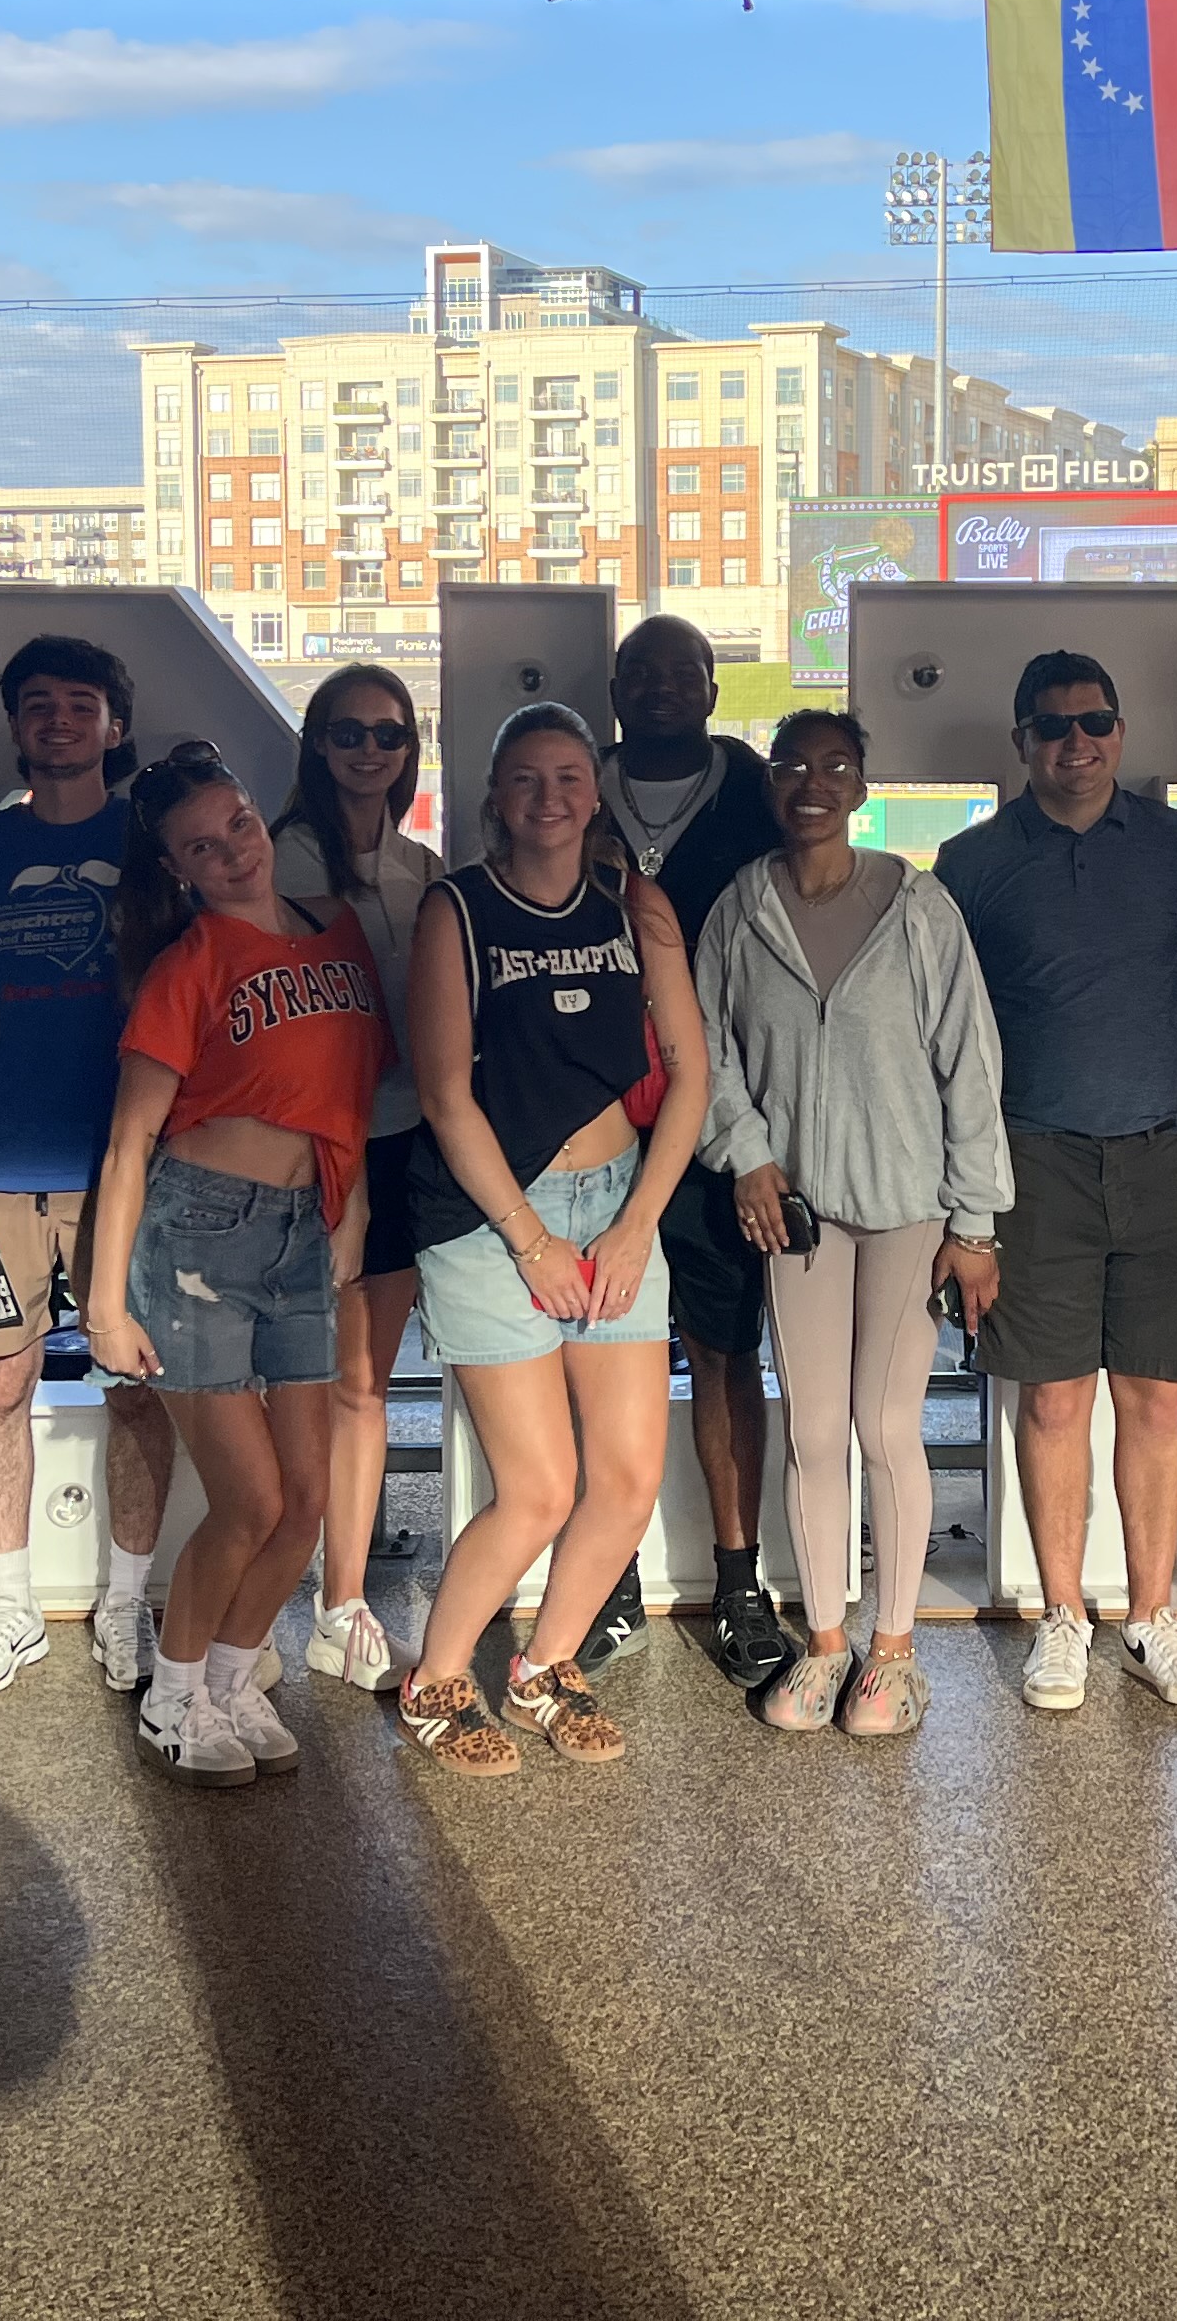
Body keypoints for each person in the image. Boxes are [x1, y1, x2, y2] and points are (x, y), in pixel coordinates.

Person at [393, 704, 714, 1776]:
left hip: (615, 1203)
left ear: (596, 790)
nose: (549, 797)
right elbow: (445, 1095)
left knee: (624, 1478)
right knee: (536, 1487)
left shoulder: (636, 903)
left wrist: (633, 1229)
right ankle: (437, 1680)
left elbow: (691, 1077)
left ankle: (545, 1666)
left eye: (569, 777)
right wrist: (534, 1244)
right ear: (494, 797)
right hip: (495, 1220)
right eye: (525, 779)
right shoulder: (458, 910)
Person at [698, 711, 1011, 1737]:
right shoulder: (741, 911)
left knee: (883, 1426)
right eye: (792, 763)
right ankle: (828, 1645)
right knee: (815, 1429)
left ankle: (894, 1650)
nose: (811, 781)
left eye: (834, 764)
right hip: (798, 1217)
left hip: (913, 1208)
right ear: (772, 782)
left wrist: (976, 1222)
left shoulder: (918, 906)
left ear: (863, 785)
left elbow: (971, 1063)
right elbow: (707, 1052)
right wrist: (747, 1154)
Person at [936, 652, 1177, 1713]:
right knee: (1054, 1399)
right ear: (1021, 742)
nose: (1078, 742)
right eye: (1054, 726)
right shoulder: (968, 866)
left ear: (1121, 729)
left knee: (1155, 1396)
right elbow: (954, 1032)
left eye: (1096, 721)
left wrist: (1140, 1091)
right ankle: (1063, 1617)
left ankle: (1150, 1619)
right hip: (1032, 1162)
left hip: (1162, 1154)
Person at [83, 745, 387, 1783]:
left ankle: (228, 1678)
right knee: (248, 1502)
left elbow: (350, 1099)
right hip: (199, 1233)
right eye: (200, 848)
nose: (229, 855)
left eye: (237, 828)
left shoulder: (339, 936)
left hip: (305, 1228)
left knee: (306, 1499)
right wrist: (103, 1300)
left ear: (263, 817)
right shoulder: (190, 963)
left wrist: (348, 1219)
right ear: (177, 868)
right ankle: (171, 1701)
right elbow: (130, 1145)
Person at [0, 634, 175, 1701]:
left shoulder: (159, 848)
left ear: (117, 727)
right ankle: (9, 1606)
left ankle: (126, 1602)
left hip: (130, 1176)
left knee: (137, 1393)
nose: (59, 719)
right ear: (15, 724)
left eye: (82, 703)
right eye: (38, 703)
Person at [596, 611, 796, 1688]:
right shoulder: (573, 784)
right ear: (615, 687)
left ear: (715, 690)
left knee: (725, 1348)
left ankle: (737, 1581)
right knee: (606, 1349)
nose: (665, 687)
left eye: (687, 672)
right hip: (594, 1125)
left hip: (723, 1123)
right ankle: (608, 1576)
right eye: (644, 671)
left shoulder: (760, 792)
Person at [271, 665, 443, 1696]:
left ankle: (342, 1603)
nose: (369, 750)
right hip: (308, 1150)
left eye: (387, 734)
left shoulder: (425, 872)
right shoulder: (282, 861)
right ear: (318, 744)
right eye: (348, 733)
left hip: (407, 1138)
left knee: (365, 1384)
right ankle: (276, 1599)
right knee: (308, 1381)